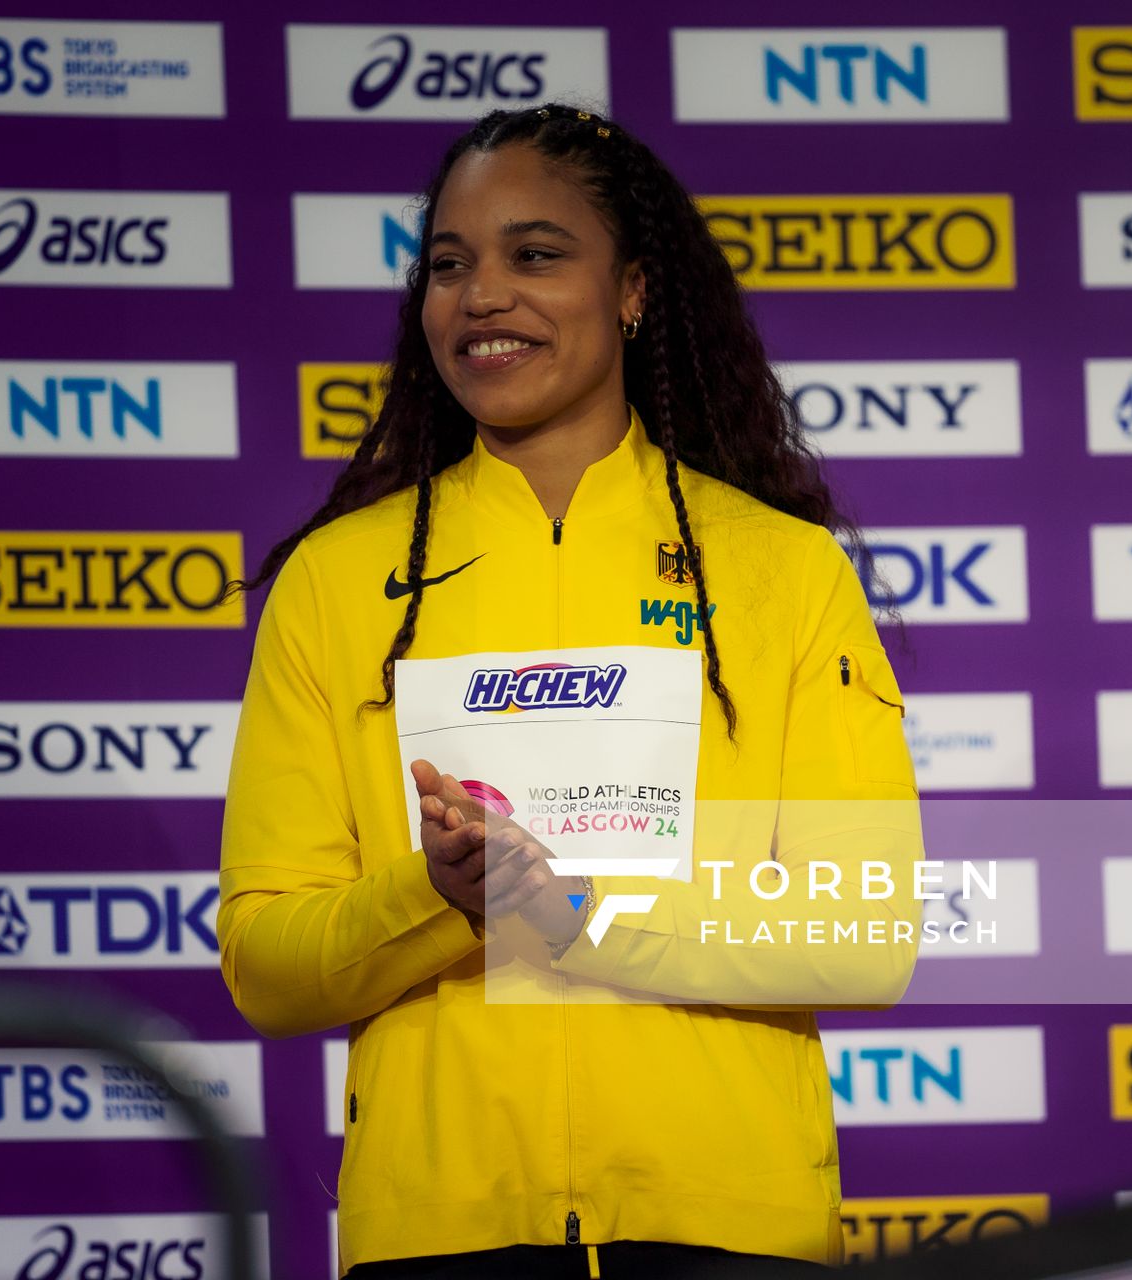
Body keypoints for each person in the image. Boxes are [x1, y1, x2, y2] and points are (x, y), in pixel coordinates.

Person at [218, 103, 922, 1279]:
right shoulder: (337, 583)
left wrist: (574, 916)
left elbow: (864, 931)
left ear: (634, 289)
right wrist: (436, 894)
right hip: (439, 1229)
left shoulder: (781, 570)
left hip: (726, 1225)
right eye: (450, 265)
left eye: (535, 254)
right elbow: (265, 961)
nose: (482, 293)